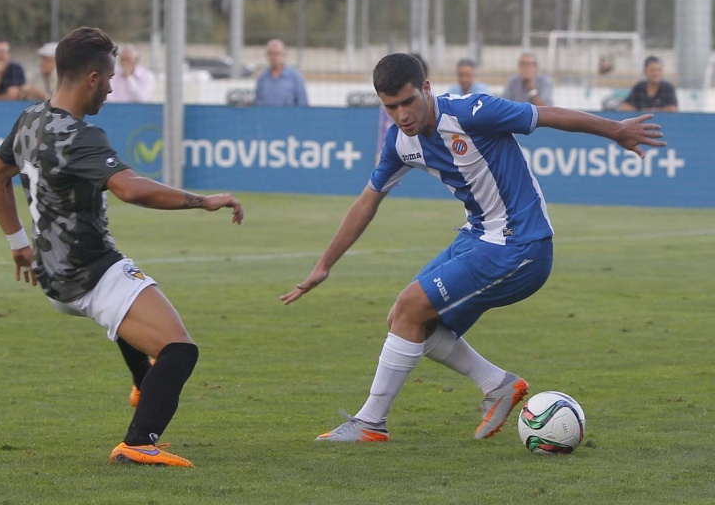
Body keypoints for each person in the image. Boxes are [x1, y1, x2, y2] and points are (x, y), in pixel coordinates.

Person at [280, 53, 665, 443]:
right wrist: (325, 264)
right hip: (479, 237)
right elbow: (368, 199)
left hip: (521, 245)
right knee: (406, 319)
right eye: (390, 107)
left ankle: (370, 423)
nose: (402, 115)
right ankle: (497, 384)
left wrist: (615, 130)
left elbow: (546, 114)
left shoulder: (473, 112)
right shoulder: (399, 141)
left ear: (426, 89)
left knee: (412, 307)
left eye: (408, 101)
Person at [0, 26, 244, 467]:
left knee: (137, 310)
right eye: (109, 78)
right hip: (90, 274)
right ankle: (138, 442)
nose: (111, 86)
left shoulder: (29, 119)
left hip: (52, 276)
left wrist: (18, 244)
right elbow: (131, 189)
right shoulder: (81, 137)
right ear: (90, 78)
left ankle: (144, 382)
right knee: (180, 351)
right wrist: (204, 201)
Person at [253, 39, 308, 107]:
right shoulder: (262, 79)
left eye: (277, 53)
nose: (274, 57)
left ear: (284, 55)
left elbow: (303, 106)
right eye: (270, 54)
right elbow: (257, 106)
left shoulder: (296, 78)